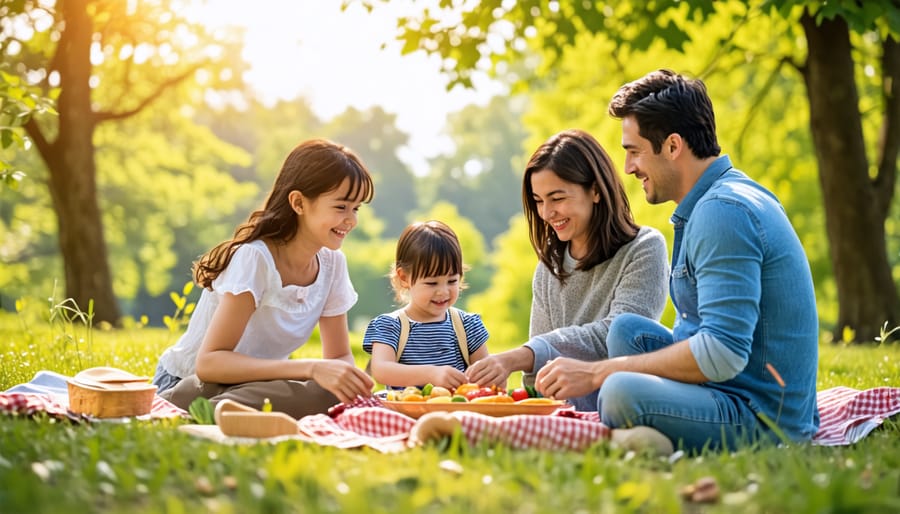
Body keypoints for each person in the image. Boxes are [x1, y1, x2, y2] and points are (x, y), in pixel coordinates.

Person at [536, 69, 820, 452]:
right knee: (626, 332)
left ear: (672, 146)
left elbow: (722, 353)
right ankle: (648, 430)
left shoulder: (724, 212)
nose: (628, 168)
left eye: (634, 151)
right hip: (723, 387)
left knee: (618, 391)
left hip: (760, 414)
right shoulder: (718, 199)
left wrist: (597, 372)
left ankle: (646, 434)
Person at [153, 139, 375, 418]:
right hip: (191, 384)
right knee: (316, 392)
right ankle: (202, 411)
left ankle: (230, 412)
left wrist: (346, 378)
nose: (351, 220)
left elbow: (340, 356)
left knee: (329, 393)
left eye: (356, 208)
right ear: (298, 203)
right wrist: (310, 368)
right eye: (341, 207)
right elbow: (209, 364)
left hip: (254, 384)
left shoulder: (332, 265)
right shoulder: (255, 258)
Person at [464, 129, 669, 412]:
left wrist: (518, 356)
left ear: (595, 190)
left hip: (630, 403)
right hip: (568, 413)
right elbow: (539, 372)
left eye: (557, 198)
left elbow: (619, 335)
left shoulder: (644, 248)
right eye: (538, 201)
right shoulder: (548, 269)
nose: (547, 213)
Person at [363, 220, 490, 390]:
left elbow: (486, 375)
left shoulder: (467, 325)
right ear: (404, 278)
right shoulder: (390, 326)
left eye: (452, 281)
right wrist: (431, 374)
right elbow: (381, 370)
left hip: (457, 411)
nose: (443, 292)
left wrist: (491, 377)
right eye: (432, 283)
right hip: (406, 412)